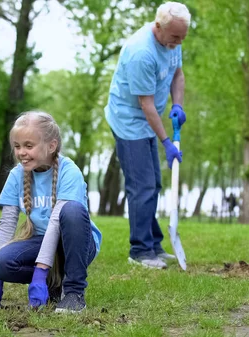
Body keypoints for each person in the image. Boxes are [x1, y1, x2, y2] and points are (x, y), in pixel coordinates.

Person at [0, 111, 102, 313]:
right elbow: (6, 224)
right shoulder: (17, 175)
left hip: (76, 244)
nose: (21, 152)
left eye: (28, 146)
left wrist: (40, 274)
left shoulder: (70, 172)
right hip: (40, 240)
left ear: (51, 146)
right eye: (17, 146)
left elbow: (55, 224)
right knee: (0, 263)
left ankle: (73, 293)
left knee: (73, 210)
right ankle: (54, 284)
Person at [104, 2, 190, 269]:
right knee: (142, 186)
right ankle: (140, 251)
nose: (179, 42)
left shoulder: (173, 40)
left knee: (152, 183)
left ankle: (153, 243)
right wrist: (166, 141)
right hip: (129, 121)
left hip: (147, 119)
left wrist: (178, 104)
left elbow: (178, 75)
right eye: (175, 36)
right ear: (158, 26)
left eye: (182, 37)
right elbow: (146, 105)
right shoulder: (141, 52)